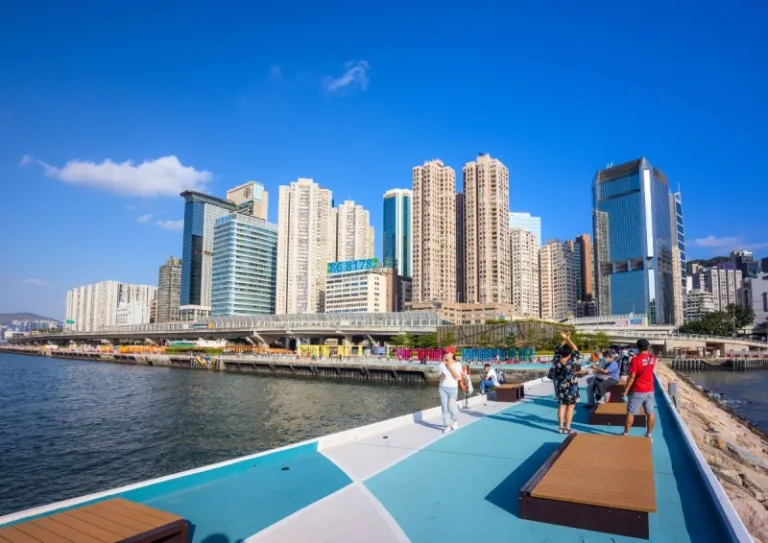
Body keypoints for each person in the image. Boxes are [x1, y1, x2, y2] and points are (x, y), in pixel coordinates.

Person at [623, 339, 657, 440]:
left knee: (631, 412)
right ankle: (649, 434)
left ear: (637, 347)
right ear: (648, 346)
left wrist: (626, 390)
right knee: (650, 412)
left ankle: (626, 433)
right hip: (650, 389)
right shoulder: (653, 358)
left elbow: (632, 377)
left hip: (638, 389)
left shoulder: (635, 360)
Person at [549, 331, 580, 434]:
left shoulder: (556, 359)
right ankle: (567, 428)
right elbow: (576, 349)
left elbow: (557, 348)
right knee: (570, 407)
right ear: (570, 353)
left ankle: (560, 428)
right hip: (571, 387)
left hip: (560, 387)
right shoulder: (572, 361)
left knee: (562, 406)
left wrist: (564, 339)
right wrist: (568, 339)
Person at [437, 351, 462, 433]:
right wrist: (441, 377)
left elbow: (458, 377)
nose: (445, 354)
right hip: (442, 388)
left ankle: (454, 420)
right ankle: (448, 425)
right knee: (444, 407)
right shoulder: (441, 364)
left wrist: (449, 367)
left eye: (447, 352)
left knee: (451, 407)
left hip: (453, 388)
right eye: (444, 353)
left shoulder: (457, 364)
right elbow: (439, 377)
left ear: (452, 354)